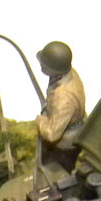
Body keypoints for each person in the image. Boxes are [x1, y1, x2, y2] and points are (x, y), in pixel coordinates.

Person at [33, 40, 85, 172]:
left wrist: (40, 121)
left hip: (65, 144)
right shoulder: (67, 72)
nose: (41, 66)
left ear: (53, 69)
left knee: (57, 171)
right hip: (66, 122)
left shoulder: (63, 98)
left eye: (44, 65)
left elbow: (52, 134)